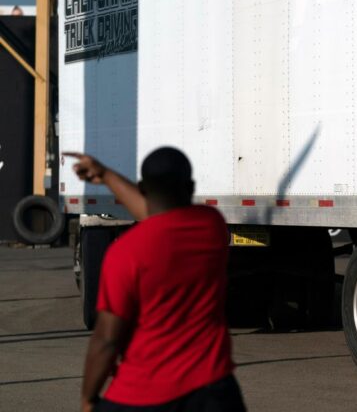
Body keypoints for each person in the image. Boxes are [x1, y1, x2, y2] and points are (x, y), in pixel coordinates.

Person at [64, 148, 246, 412]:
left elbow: (106, 339)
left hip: (139, 396)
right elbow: (158, 214)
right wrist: (105, 175)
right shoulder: (211, 225)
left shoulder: (125, 253)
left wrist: (88, 398)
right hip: (213, 390)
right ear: (191, 186)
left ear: (143, 187)